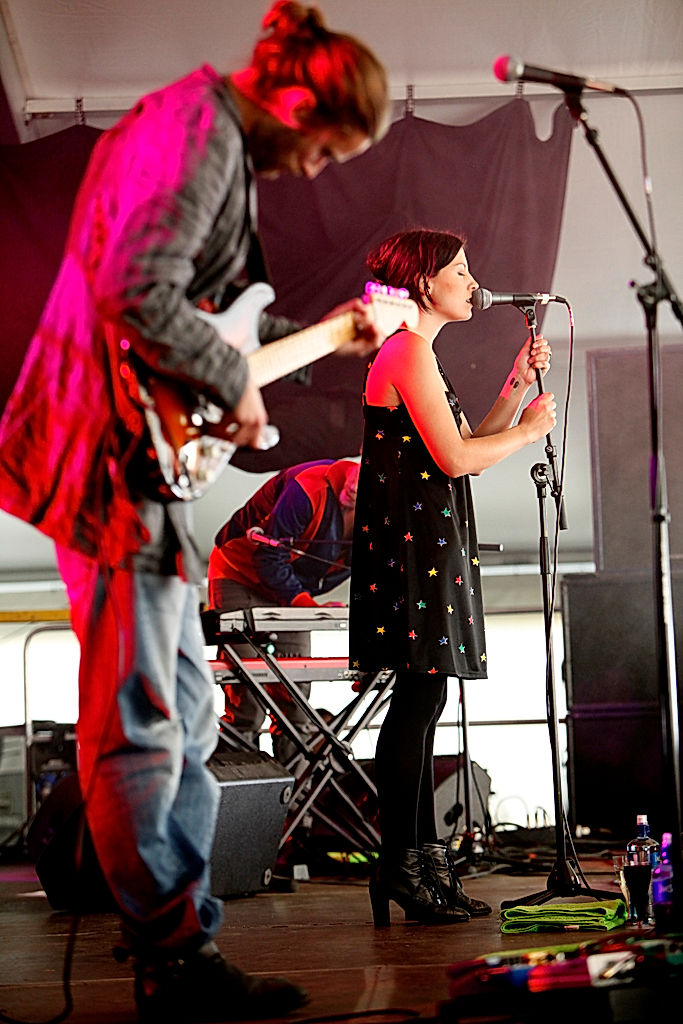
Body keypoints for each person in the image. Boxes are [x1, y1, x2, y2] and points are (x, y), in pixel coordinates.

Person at [0, 4, 388, 1021]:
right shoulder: (198, 130)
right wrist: (236, 382)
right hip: (112, 463)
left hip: (144, 469)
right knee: (144, 719)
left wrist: (324, 335)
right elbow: (135, 288)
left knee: (192, 711)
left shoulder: (195, 133)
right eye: (324, 148)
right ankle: (172, 955)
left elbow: (197, 310)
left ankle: (179, 938)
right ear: (298, 100)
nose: (311, 169)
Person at [348, 228, 556, 927]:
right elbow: (458, 460)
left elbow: (464, 444)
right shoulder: (405, 350)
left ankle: (418, 866)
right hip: (413, 549)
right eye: (459, 272)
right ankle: (401, 866)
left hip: (427, 543)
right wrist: (527, 433)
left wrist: (512, 389)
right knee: (416, 702)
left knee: (425, 700)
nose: (472, 283)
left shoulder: (419, 355)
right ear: (423, 283)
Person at [207, 458, 359, 762]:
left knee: (296, 707)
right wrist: (310, 609)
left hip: (290, 590)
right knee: (246, 699)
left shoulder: (387, 518)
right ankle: (243, 792)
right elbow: (269, 558)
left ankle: (295, 802)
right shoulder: (307, 488)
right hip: (240, 574)